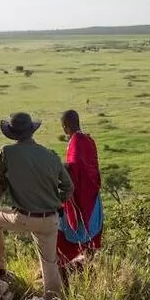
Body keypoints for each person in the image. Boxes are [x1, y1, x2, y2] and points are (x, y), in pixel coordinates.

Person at [0, 112, 73, 299]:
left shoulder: (7, 152)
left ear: (12, 133)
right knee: (49, 263)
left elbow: (0, 184)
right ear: (31, 131)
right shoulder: (50, 155)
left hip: (24, 218)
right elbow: (68, 188)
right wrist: (54, 201)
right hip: (51, 219)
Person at [57, 110, 103, 273]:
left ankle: (63, 264)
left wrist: (61, 167)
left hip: (81, 194)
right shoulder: (88, 139)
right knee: (92, 228)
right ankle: (88, 261)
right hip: (92, 192)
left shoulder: (75, 141)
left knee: (68, 228)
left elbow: (75, 165)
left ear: (64, 126)